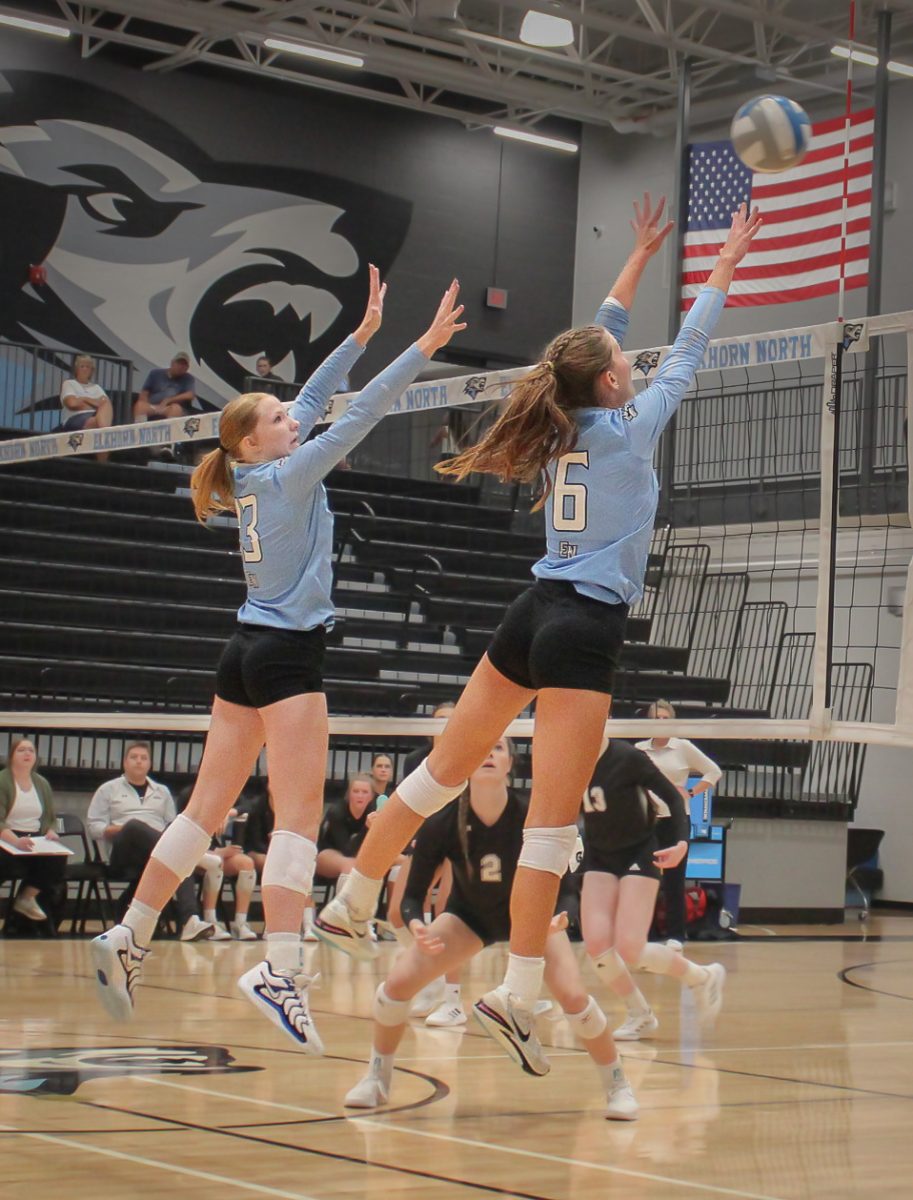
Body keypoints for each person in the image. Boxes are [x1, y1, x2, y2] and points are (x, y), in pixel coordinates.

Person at [318, 196, 761, 1076]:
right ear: (608, 383)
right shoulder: (630, 432)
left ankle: (355, 892)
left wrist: (637, 257)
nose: (632, 367)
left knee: (437, 773)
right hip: (581, 630)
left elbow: (596, 332)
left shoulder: (561, 416)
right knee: (552, 835)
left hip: (528, 614)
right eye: (622, 366)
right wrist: (722, 262)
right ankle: (517, 994)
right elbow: (690, 344)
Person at [90, 269, 466, 1052]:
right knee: (296, 818)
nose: (290, 417)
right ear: (253, 439)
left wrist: (360, 336)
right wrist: (420, 348)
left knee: (200, 812)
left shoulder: (258, 466)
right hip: (288, 657)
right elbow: (357, 414)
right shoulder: (290, 471)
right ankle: (279, 969)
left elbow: (317, 398)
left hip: (243, 651)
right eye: (276, 415)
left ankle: (129, 933)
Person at [343, 736, 637, 1119]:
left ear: (510, 763)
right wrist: (417, 925)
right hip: (470, 918)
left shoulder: (531, 814)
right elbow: (413, 895)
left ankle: (618, 1084)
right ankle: (377, 1078)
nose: (488, 753)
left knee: (573, 997)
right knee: (397, 984)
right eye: (482, 747)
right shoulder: (444, 820)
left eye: (498, 748)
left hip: (532, 920)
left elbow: (565, 885)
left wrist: (562, 916)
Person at [581, 737, 725, 1042]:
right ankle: (640, 1014)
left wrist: (682, 844)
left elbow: (674, 799)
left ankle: (702, 977)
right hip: (598, 855)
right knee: (596, 947)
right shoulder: (568, 758)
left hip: (637, 851)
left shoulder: (627, 756)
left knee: (630, 947)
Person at [87, 743, 213, 942]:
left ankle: (190, 920)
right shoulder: (108, 789)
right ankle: (195, 856)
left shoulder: (161, 791)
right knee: (135, 827)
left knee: (177, 859)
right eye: (134, 757)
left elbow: (171, 826)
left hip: (152, 853)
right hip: (122, 851)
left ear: (150, 764)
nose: (139, 761)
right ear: (124, 762)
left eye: (143, 758)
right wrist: (119, 829)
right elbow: (94, 827)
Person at [636, 699, 722, 945]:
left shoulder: (682, 747)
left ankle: (675, 935)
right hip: (646, 820)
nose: (661, 723)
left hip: (675, 820)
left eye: (665, 719)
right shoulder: (640, 749)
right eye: (656, 719)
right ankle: (647, 935)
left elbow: (713, 771)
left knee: (674, 879)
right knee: (646, 878)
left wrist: (691, 793)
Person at [0, 737, 66, 924]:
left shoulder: (42, 783)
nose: (27, 753)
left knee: (58, 856)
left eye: (31, 750)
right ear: (12, 756)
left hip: (33, 838)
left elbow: (50, 818)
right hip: (7, 837)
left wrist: (51, 832)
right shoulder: (3, 780)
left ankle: (26, 898)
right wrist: (15, 841)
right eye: (22, 750)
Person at [314, 775, 377, 885]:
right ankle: (344, 902)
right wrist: (366, 828)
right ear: (349, 794)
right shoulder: (337, 812)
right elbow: (348, 852)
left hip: (359, 856)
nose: (360, 796)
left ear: (371, 796)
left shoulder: (373, 811)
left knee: (399, 863)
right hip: (326, 855)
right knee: (351, 865)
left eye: (365, 792)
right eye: (356, 791)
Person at [133, 352, 197, 421]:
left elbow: (190, 395)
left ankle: (172, 431)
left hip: (170, 408)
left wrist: (168, 400)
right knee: (140, 406)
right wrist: (145, 404)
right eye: (179, 363)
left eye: (184, 365)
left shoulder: (188, 378)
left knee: (176, 408)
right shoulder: (155, 373)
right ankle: (140, 429)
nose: (181, 367)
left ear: (187, 368)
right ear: (172, 363)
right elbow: (144, 393)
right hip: (153, 407)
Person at [59, 355, 113, 432]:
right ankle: (105, 433)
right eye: (82, 366)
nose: (85, 369)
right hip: (75, 418)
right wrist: (91, 401)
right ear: (76, 369)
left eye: (88, 367)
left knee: (104, 408)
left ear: (91, 371)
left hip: (95, 418)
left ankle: (104, 432)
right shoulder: (69, 383)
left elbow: (105, 404)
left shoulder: (96, 387)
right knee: (100, 420)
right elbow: (72, 404)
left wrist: (82, 400)